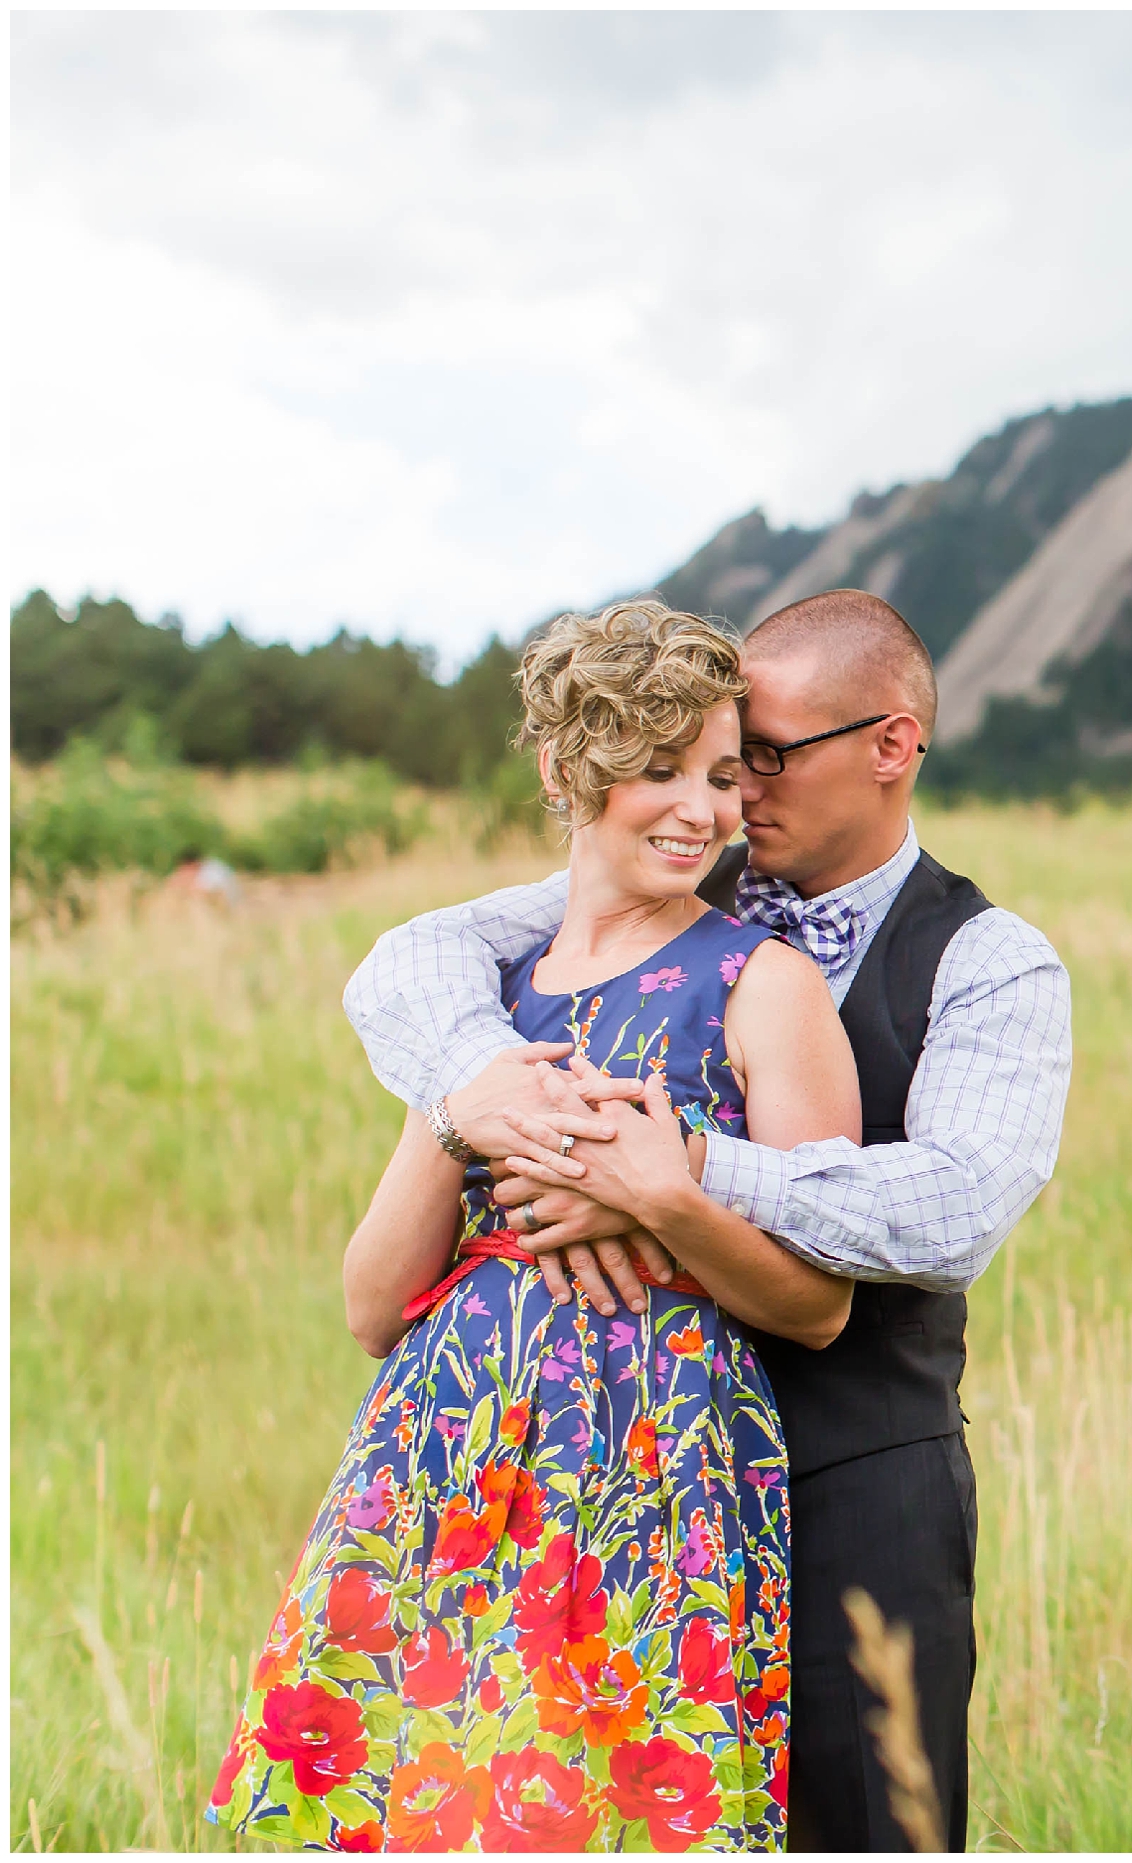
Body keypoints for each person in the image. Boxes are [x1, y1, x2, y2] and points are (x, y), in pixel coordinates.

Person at [338, 587, 1072, 1851]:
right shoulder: (654, 886)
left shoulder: (990, 961)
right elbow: (415, 963)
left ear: (892, 746)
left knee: (863, 1825)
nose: (736, 797)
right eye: (721, 760)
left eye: (762, 759)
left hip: (853, 1471)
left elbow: (952, 1211)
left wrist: (667, 1174)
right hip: (582, 1480)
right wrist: (489, 1098)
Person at [214, 599, 861, 1850]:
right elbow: (368, 1306)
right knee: (410, 1810)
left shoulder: (761, 987)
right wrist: (464, 1122)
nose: (700, 809)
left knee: (599, 1819)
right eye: (656, 769)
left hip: (651, 1475)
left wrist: (663, 1199)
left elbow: (818, 1304)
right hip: (440, 1471)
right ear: (570, 774)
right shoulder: (480, 1003)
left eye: (721, 775)